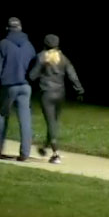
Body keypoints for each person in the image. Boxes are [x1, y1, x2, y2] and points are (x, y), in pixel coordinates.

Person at [28, 34, 84, 164]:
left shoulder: (41, 57)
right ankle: (45, 146)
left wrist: (40, 68)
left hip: (47, 94)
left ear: (45, 44)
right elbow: (72, 75)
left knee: (51, 123)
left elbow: (32, 76)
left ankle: (56, 154)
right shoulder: (63, 58)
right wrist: (79, 90)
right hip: (60, 94)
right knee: (54, 122)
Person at [0, 17, 37, 161]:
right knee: (25, 119)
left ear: (8, 29)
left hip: (9, 85)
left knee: (2, 115)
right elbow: (35, 66)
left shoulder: (3, 44)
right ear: (21, 28)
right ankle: (25, 153)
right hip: (25, 86)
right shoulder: (29, 45)